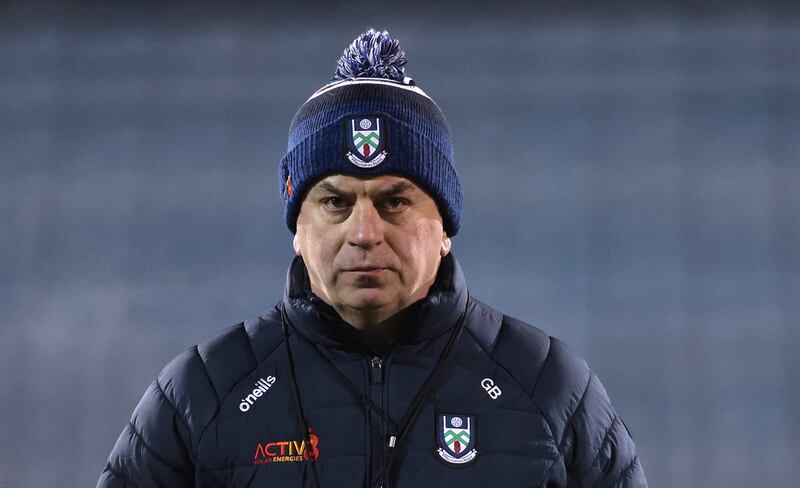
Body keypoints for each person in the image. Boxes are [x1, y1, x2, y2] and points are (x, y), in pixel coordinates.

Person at [97, 29, 647, 488]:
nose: (364, 233)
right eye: (335, 202)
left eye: (395, 201)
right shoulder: (201, 395)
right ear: (297, 227)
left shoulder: (551, 390)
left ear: (445, 226)